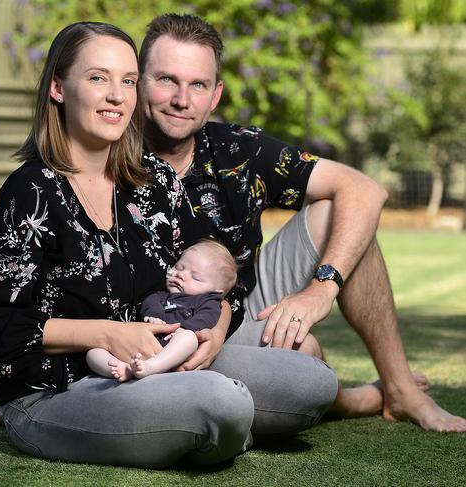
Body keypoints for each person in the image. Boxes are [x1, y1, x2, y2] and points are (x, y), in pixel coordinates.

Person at [0, 21, 339, 468]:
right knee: (220, 402)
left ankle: (193, 425)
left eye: (129, 81)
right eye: (98, 78)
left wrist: (212, 331)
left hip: (162, 359)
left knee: (312, 384)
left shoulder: (153, 180)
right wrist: (109, 333)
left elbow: (217, 274)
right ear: (58, 87)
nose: (117, 95)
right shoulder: (30, 193)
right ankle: (205, 425)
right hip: (61, 389)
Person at [137, 13, 466, 432]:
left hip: (236, 316)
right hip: (150, 331)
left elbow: (365, 189)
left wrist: (320, 289)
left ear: (215, 94)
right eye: (166, 79)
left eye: (198, 84)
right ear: (138, 81)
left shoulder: (238, 150)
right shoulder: (108, 154)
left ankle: (401, 389)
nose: (182, 99)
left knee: (340, 212)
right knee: (303, 357)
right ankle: (348, 400)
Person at [87, 239, 237, 381]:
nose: (181, 275)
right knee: (93, 353)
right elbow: (150, 303)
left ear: (216, 291)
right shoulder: (161, 296)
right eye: (179, 267)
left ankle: (150, 368)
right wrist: (154, 316)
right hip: (137, 345)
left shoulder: (207, 301)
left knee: (189, 338)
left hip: (172, 345)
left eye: (195, 277)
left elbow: (207, 317)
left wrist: (186, 328)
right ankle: (124, 369)